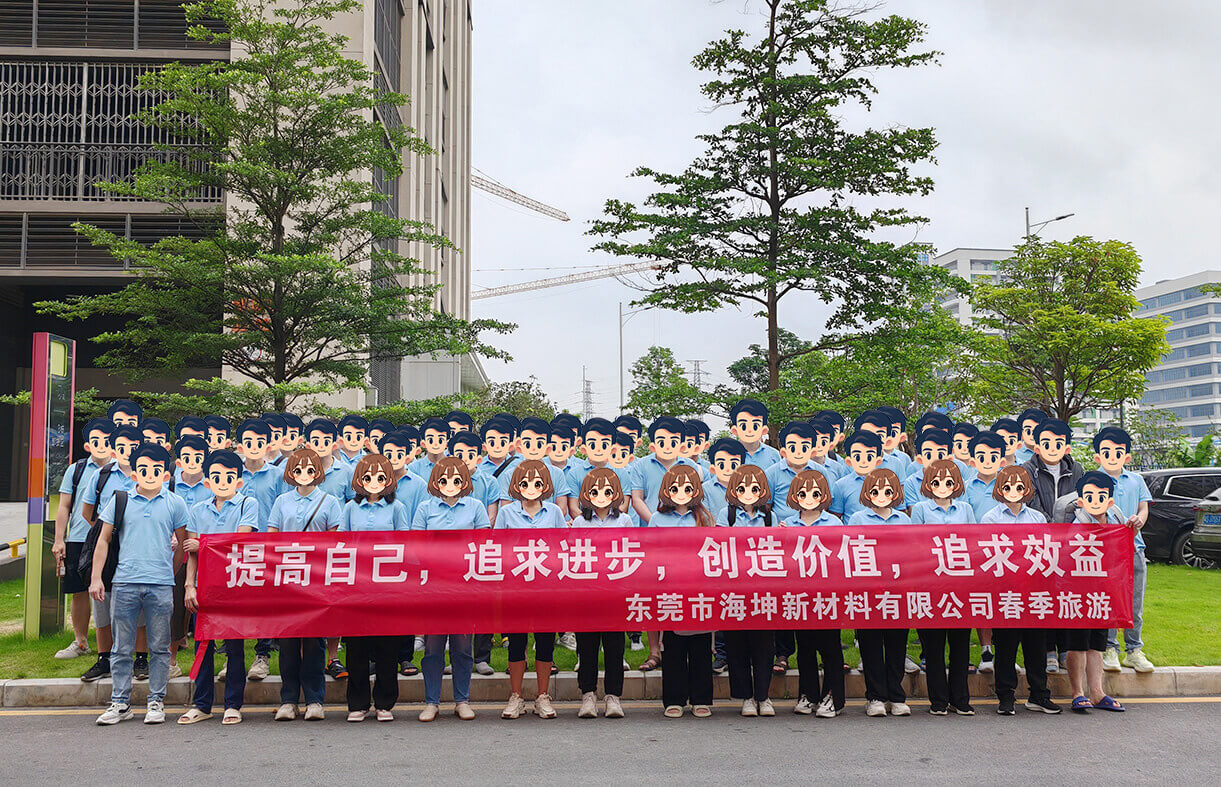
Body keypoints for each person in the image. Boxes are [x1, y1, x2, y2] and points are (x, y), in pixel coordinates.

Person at [90, 444, 190, 726]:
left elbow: (182, 544)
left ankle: (155, 701)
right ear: (134, 474)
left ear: (166, 475)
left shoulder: (175, 503)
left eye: (156, 470)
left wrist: (168, 573)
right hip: (124, 583)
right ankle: (120, 703)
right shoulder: (120, 500)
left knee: (159, 647)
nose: (150, 475)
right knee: (121, 647)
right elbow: (103, 540)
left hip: (160, 586)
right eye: (143, 470)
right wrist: (97, 577)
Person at [178, 450, 259, 725]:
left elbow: (240, 540)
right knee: (203, 645)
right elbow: (192, 554)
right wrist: (190, 585)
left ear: (238, 481)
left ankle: (233, 704)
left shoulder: (249, 504)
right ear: (207, 482)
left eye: (229, 477)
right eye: (216, 477)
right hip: (204, 587)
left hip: (235, 585)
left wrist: (203, 543)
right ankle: (202, 704)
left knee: (234, 647)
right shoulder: (198, 510)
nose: (222, 481)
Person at [267, 448, 344, 721]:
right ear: (290, 473)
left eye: (309, 470)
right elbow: (272, 537)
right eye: (297, 470)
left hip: (316, 579)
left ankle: (314, 699)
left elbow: (335, 542)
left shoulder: (330, 501)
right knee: (287, 641)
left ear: (318, 473)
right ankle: (288, 699)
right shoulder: (281, 501)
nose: (303, 475)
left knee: (314, 641)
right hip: (287, 578)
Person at [411, 457, 490, 721]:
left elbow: (484, 544)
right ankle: (431, 701)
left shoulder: (476, 507)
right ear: (435, 482)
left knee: (462, 645)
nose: (450, 485)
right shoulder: (425, 508)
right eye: (443, 480)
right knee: (433, 648)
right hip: (433, 586)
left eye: (456, 480)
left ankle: (462, 700)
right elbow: (416, 545)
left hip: (465, 585)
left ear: (465, 482)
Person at [979, 466, 1060, 715]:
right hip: (1006, 591)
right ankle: (1006, 696)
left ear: (1027, 490)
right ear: (999, 489)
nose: (1013, 491)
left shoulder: (1037, 518)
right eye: (1007, 487)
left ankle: (1039, 694)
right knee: (1006, 646)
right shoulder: (990, 518)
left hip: (1034, 591)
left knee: (1036, 645)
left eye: (1019, 487)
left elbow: (1046, 553)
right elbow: (986, 554)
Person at [341, 454, 411, 722]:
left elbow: (405, 544)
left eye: (380, 477)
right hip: (356, 584)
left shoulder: (397, 508)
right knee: (356, 646)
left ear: (388, 481)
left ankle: (384, 702)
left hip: (388, 585)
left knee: (387, 646)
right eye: (367, 477)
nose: (373, 483)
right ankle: (357, 703)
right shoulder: (350, 508)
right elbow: (342, 545)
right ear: (358, 480)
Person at [497, 460, 565, 719]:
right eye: (525, 483)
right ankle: (516, 696)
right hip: (515, 587)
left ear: (546, 486)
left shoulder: (554, 513)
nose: (531, 488)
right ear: (516, 486)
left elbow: (562, 548)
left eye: (537, 483)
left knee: (545, 640)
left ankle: (542, 696)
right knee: (516, 640)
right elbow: (498, 548)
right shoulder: (507, 513)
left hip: (546, 588)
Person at [909, 460, 974, 716]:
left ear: (957, 484)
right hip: (930, 584)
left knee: (960, 645)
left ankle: (960, 698)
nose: (943, 487)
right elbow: (915, 544)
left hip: (960, 583)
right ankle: (937, 700)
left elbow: (973, 542)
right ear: (928, 484)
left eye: (949, 482)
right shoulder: (921, 510)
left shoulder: (966, 508)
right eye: (936, 482)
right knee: (933, 646)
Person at [780, 470, 845, 718]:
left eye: (815, 493)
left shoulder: (834, 523)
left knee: (830, 648)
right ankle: (807, 695)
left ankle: (833, 697)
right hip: (799, 595)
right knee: (805, 647)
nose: (809, 498)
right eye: (803, 493)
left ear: (824, 496)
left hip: (828, 594)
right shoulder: (787, 524)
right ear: (794, 496)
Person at [571, 468, 634, 719]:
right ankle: (587, 694)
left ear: (616, 493)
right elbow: (572, 556)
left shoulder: (624, 520)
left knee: (615, 645)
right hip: (587, 592)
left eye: (607, 491)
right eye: (595, 491)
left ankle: (613, 697)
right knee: (587, 646)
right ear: (587, 494)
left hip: (615, 592)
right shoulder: (579, 522)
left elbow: (632, 553)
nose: (601, 496)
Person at [849, 468, 912, 717]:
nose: (882, 495)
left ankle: (896, 696)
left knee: (897, 645)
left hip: (898, 590)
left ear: (896, 493)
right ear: (867, 493)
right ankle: (875, 696)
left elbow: (912, 554)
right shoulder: (857, 519)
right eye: (876, 491)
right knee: (871, 645)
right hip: (868, 591)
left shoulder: (904, 520)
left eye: (888, 491)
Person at [1092, 427, 1155, 674]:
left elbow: (1144, 508)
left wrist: (1140, 519)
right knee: (1107, 600)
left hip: (1135, 549)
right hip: (1105, 552)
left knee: (1133, 603)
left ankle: (1134, 650)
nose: (1112, 456)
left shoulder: (1136, 480)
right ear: (1097, 456)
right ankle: (1110, 649)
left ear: (1127, 456)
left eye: (1118, 452)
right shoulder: (1092, 480)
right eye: (1106, 452)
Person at [52, 418, 115, 664]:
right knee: (78, 591)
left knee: (110, 591)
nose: (101, 445)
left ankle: (113, 644)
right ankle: (80, 641)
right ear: (88, 445)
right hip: (78, 537)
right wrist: (59, 539)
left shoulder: (120, 469)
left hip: (108, 538)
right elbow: (64, 506)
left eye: (106, 440)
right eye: (95, 441)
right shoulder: (76, 469)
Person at [716, 464, 776, 717]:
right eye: (742, 488)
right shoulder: (725, 515)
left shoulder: (770, 516)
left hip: (764, 590)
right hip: (734, 589)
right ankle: (746, 697)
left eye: (754, 488)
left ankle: (764, 696)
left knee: (764, 645)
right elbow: (718, 547)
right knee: (737, 644)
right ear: (733, 490)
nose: (748, 493)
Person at [1066, 471, 1127, 713]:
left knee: (1097, 644)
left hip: (1104, 592)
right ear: (1080, 500)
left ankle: (1097, 692)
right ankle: (1077, 693)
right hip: (1077, 592)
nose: (1095, 500)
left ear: (1110, 501)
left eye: (1101, 496)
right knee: (1078, 643)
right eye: (1089, 496)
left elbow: (1123, 554)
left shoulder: (1116, 521)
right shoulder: (1075, 524)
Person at [828, 430, 885, 523]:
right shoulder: (841, 485)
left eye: (869, 456)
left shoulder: (889, 484)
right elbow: (835, 518)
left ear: (878, 460)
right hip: (855, 536)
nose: (863, 461)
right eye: (858, 456)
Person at [728, 398, 781, 468]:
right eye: (744, 426)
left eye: (755, 426)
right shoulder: (726, 455)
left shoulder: (774, 455)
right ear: (735, 430)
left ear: (763, 430)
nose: (749, 430)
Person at [702, 438, 744, 522]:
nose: (728, 470)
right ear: (713, 467)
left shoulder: (750, 488)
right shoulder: (705, 489)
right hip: (715, 534)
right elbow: (704, 520)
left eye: (733, 465)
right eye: (721, 465)